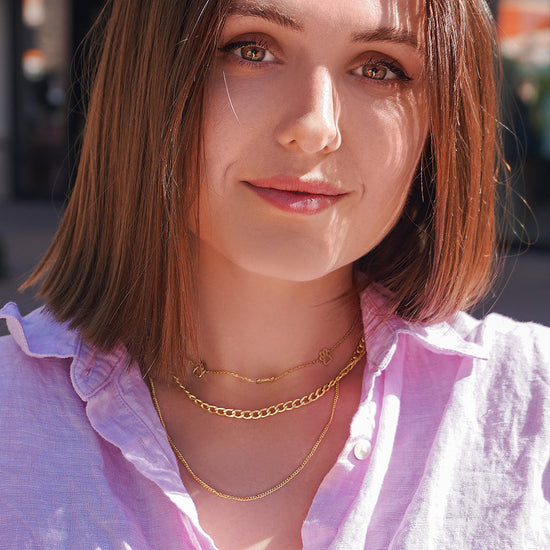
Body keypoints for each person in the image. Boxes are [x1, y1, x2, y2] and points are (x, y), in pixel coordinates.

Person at [1, 0, 549, 548]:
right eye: (252, 50)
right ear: (147, 76)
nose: (314, 128)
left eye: (379, 67)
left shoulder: (532, 410)